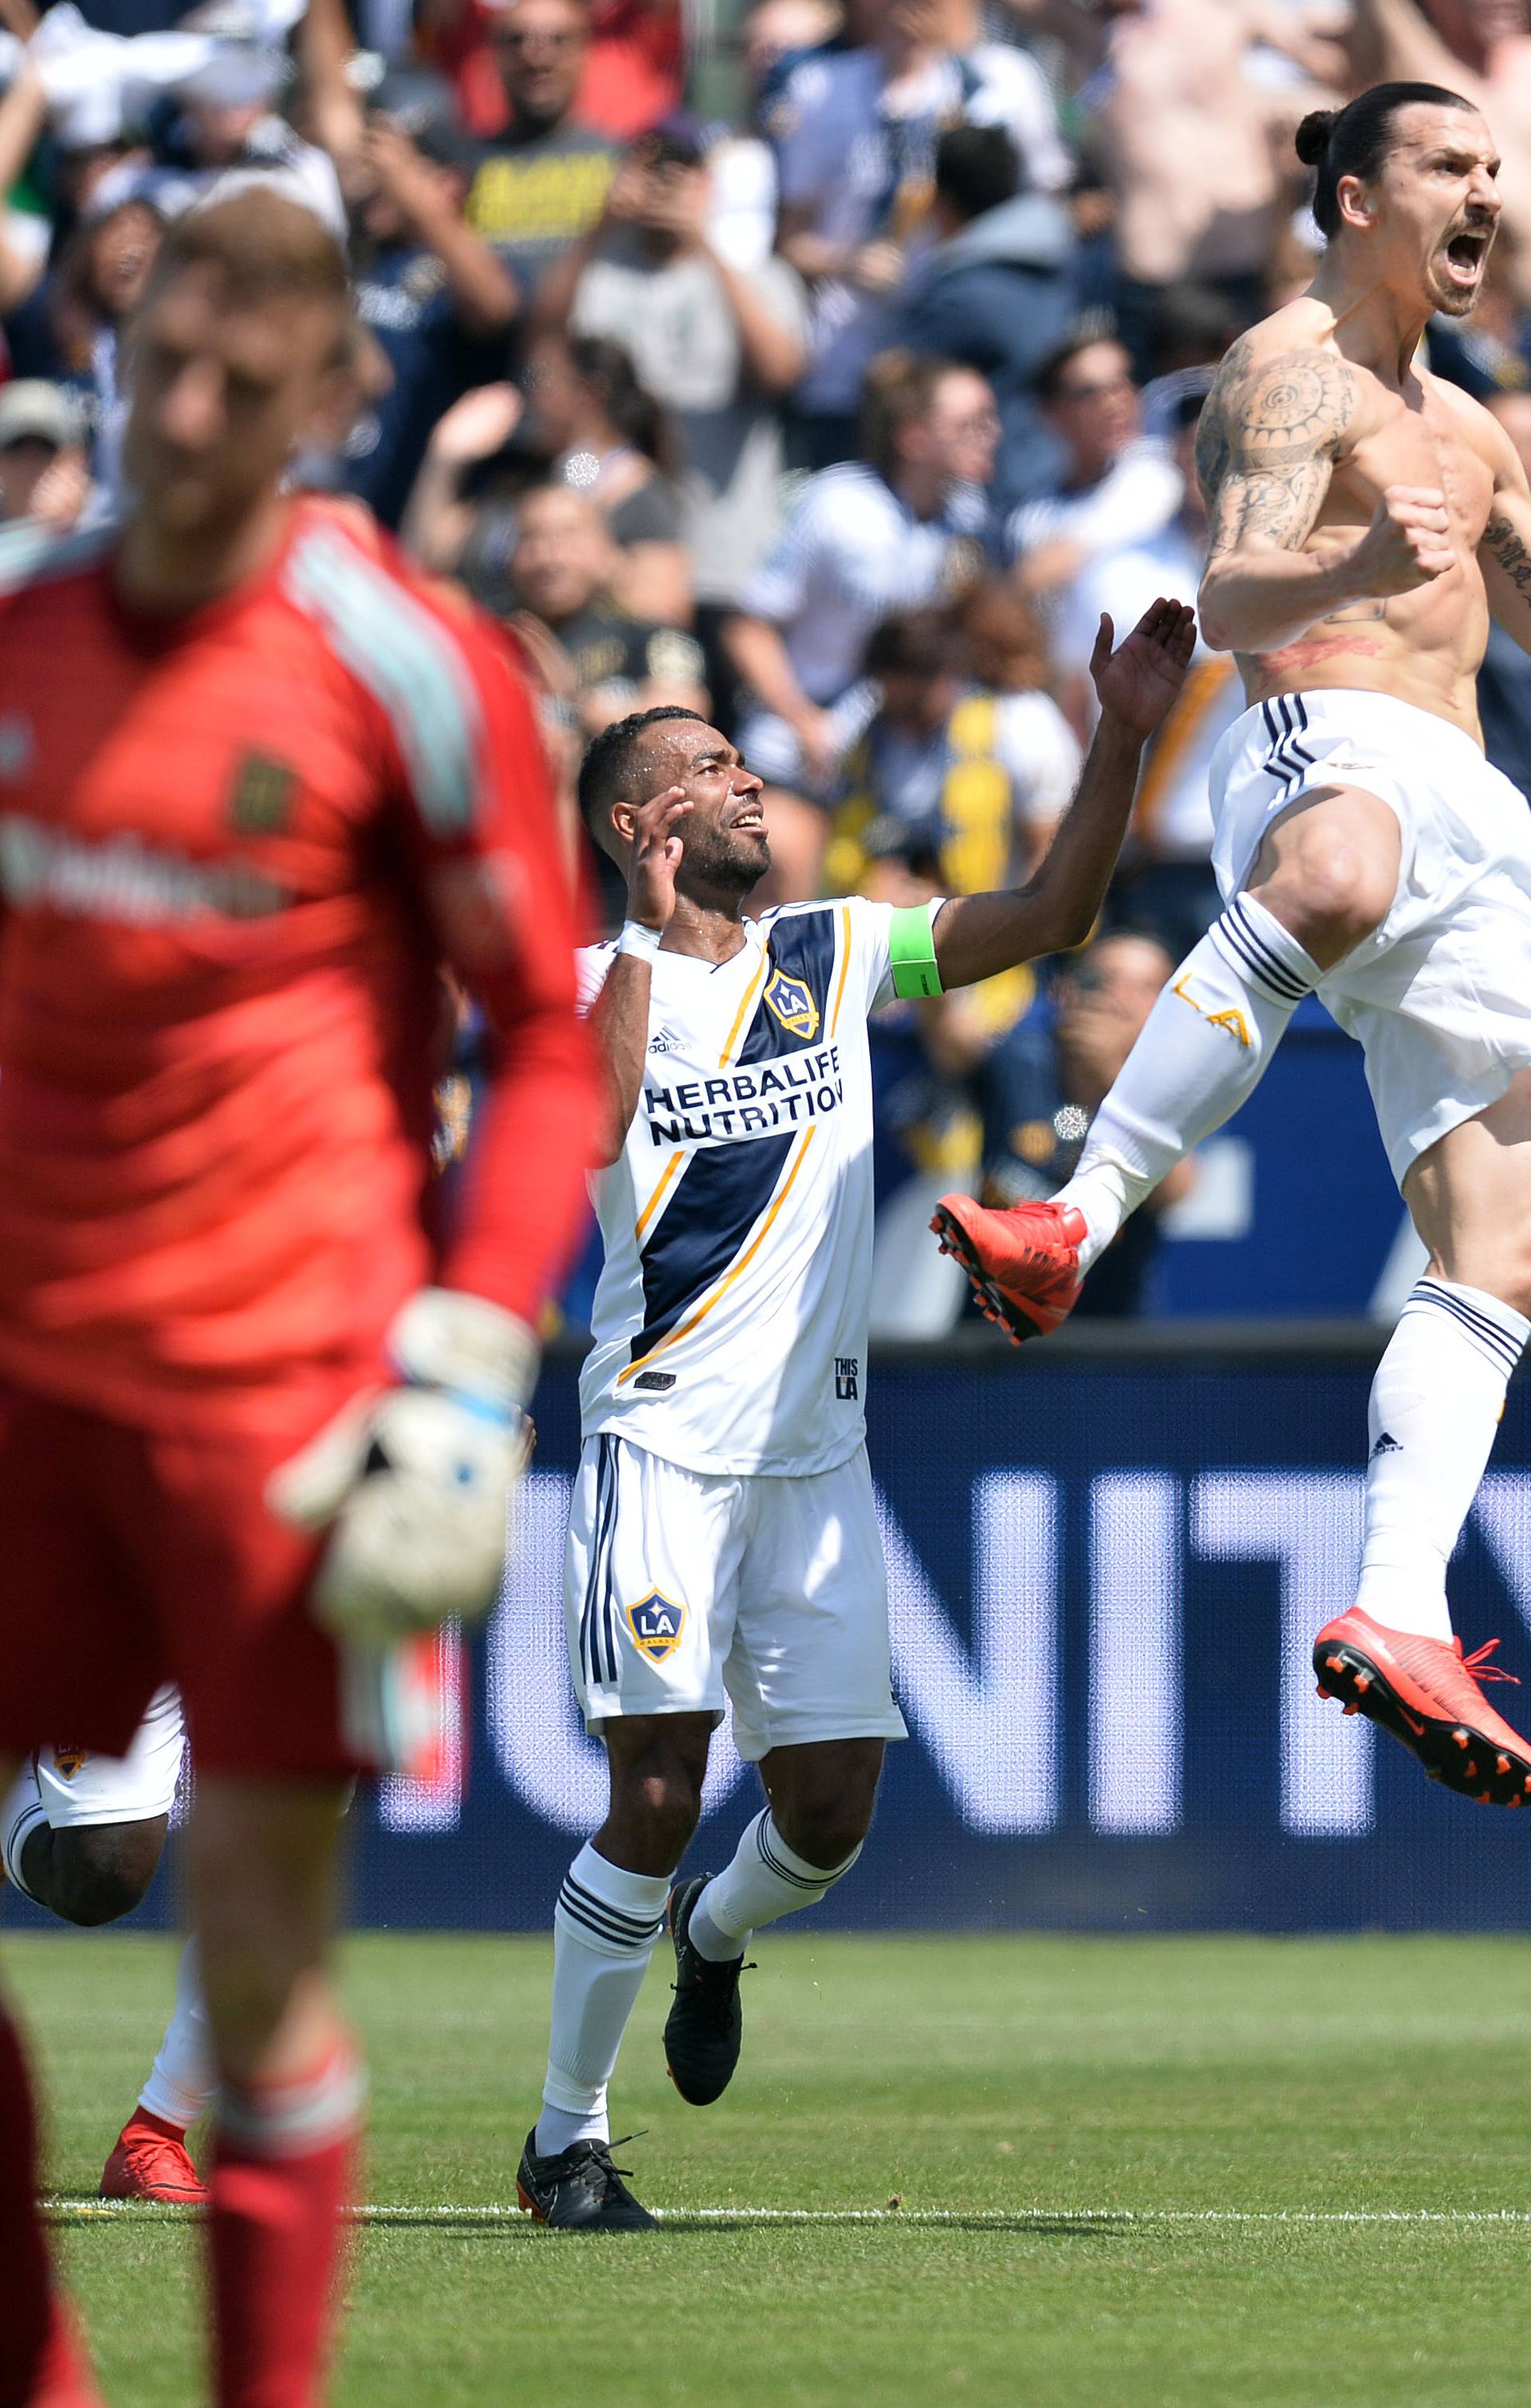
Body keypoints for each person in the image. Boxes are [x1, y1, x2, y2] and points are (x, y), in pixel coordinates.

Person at [0, 187, 598, 2407]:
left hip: (276, 1384)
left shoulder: (408, 662)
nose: (176, 415)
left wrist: (466, 1357)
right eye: (155, 362)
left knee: (255, 1958)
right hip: (27, 1367)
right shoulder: (23, 632)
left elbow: (546, 1032)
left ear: (332, 399)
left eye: (236, 386)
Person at [518, 596, 1194, 2230]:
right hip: (662, 1441)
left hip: (817, 1459)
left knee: (825, 1818)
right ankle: (564, 2141)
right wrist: (640, 926)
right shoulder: (591, 980)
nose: (751, 786)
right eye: (711, 770)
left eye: (751, 764)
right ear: (640, 823)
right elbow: (585, 1132)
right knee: (658, 1790)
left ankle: (716, 1938)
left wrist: (1121, 727)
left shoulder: (835, 944)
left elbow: (1052, 909)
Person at [933, 83, 1531, 1811]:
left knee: (1495, 1254)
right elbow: (1239, 593)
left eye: (1493, 168)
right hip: (1329, 749)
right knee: (1341, 865)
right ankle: (1074, 1215)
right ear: (1357, 199)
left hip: (1480, 822)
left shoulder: (1474, 430)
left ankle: (1402, 1610)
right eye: (1448, 168)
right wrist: (1352, 550)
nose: (1484, 193)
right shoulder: (1287, 371)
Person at [529, 112, 810, 683]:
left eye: (681, 171)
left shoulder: (757, 274)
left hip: (725, 550)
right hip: (621, 559)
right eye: (652, 169)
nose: (664, 185)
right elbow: (539, 345)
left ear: (709, 182)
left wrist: (702, 239)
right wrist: (599, 224)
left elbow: (781, 372)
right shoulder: (600, 268)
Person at [724, 349, 999, 901]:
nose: (990, 434)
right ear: (914, 437)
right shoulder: (839, 505)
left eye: (990, 419)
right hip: (805, 748)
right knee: (786, 867)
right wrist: (802, 720)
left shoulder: (969, 518)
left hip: (905, 764)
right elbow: (747, 626)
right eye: (968, 424)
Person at [772, 0, 1070, 466]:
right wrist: (846, 262)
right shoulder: (820, 88)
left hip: (957, 359)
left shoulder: (998, 81)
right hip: (848, 361)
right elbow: (790, 240)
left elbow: (1044, 206)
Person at [1, 1699, 213, 2205]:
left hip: (292, 1631)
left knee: (279, 1858)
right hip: (147, 1624)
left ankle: (156, 2135)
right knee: (100, 1875)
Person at [1054, 388, 1236, 957]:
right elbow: (1072, 705)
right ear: (1176, 455)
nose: (1214, 463)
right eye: (1200, 446)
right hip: (1147, 854)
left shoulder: (1302, 569)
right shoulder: (1116, 571)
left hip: (1261, 850)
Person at [973, 929, 1191, 1316]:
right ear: (1064, 990)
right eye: (1099, 980)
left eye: (1143, 987)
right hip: (991, 1327)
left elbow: (1177, 1190)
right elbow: (954, 1041)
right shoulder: (1020, 1060)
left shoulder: (1173, 1085)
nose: (1114, 997)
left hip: (1109, 1340)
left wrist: (1109, 1076)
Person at [339, 92, 521, 531]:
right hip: (349, 507)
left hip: (426, 519)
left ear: (449, 183)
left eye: (400, 166)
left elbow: (498, 308)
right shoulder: (363, 257)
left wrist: (410, 194)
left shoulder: (473, 267)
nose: (377, 181)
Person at [890, 123, 1077, 511]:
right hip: (1062, 484)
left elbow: (891, 382)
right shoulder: (1058, 262)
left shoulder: (959, 296)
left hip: (1005, 501)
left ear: (946, 200)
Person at [508, 480, 708, 737]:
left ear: (607, 547)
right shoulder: (494, 640)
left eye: (567, 537)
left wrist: (575, 700)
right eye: (531, 537)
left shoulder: (650, 637)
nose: (548, 557)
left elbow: (680, 726)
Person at [462, 0, 621, 305]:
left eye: (558, 40)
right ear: (493, 54)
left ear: (587, 50)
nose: (537, 57)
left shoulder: (622, 163)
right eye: (516, 40)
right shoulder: (462, 166)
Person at [1009, 328, 1183, 606]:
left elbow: (1043, 571)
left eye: (1122, 384)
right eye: (1091, 392)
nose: (1115, 402)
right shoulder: (1031, 517)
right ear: (1052, 412)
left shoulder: (1163, 473)